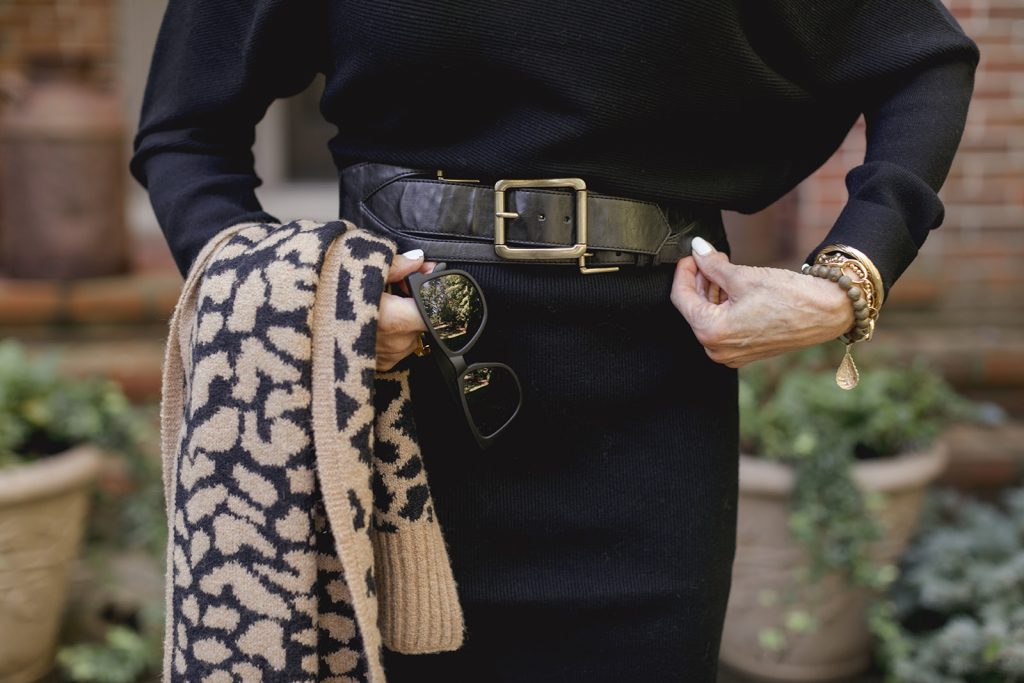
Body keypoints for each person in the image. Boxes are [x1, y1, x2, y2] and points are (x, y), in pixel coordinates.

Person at [130, 1, 979, 681]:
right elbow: (185, 136)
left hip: (651, 432)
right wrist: (315, 311)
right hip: (389, 425)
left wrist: (847, 279)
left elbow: (921, 58)